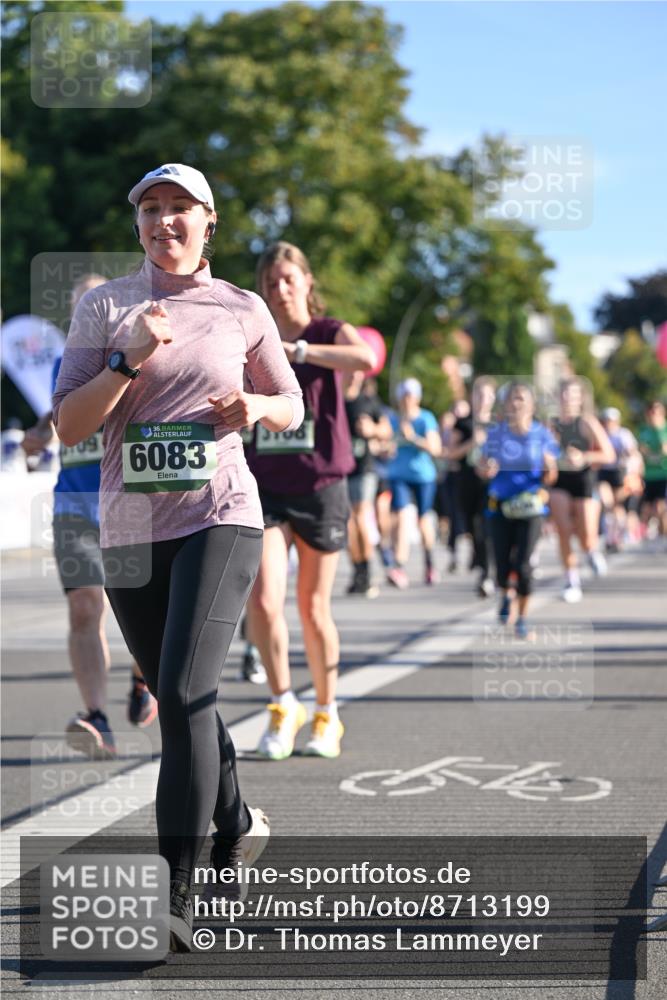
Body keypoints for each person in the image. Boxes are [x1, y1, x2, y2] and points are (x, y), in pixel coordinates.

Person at [52, 164, 304, 952]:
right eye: (150, 210)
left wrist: (256, 406)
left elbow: (290, 401)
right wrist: (127, 360)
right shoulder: (105, 306)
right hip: (130, 528)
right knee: (176, 687)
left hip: (220, 515)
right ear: (138, 226)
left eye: (179, 209)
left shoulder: (241, 307)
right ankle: (235, 822)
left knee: (187, 694)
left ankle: (176, 895)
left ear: (209, 221)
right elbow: (68, 426)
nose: (164, 221)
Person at [245, 241, 375, 761]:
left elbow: (365, 355)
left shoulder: (325, 331)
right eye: (271, 281)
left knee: (313, 607)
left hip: (321, 484)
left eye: (288, 279)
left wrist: (298, 352)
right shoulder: (251, 336)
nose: (279, 289)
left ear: (306, 282)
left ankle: (327, 713)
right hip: (266, 484)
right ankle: (282, 705)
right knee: (263, 601)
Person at [22, 274, 157, 758]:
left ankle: (145, 678)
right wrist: (39, 434)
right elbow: (54, 414)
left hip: (132, 504)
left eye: (98, 306)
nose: (90, 316)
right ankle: (96, 716)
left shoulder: (147, 358)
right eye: (81, 310)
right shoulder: (66, 362)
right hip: (75, 504)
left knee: (144, 612)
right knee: (84, 607)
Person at [477, 381, 559, 639]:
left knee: (523, 565)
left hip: (530, 506)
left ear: (532, 405)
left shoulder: (542, 435)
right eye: (512, 398)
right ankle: (505, 593)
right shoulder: (496, 434)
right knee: (501, 564)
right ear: (505, 404)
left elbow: (552, 475)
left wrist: (548, 468)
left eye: (522, 398)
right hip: (500, 505)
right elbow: (481, 467)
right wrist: (486, 469)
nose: (516, 403)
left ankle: (522, 618)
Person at [549, 378, 615, 603]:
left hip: (584, 479)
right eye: (564, 394)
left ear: (580, 399)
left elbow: (609, 455)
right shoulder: (552, 424)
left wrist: (583, 457)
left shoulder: (587, 423)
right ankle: (571, 579)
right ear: (558, 398)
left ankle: (591, 552)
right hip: (559, 480)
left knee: (587, 535)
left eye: (573, 395)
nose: (568, 399)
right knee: (563, 529)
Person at [385, 378, 441, 588]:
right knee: (400, 516)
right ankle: (398, 567)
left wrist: (413, 438)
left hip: (423, 476)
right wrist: (385, 448)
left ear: (417, 397)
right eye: (404, 396)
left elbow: (435, 448)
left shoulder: (426, 418)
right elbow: (386, 444)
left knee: (423, 519)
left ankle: (429, 563)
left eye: (410, 396)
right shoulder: (393, 420)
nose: (407, 400)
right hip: (398, 474)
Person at [446, 377, 497, 596]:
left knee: (486, 527)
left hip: (491, 484)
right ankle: (480, 560)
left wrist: (496, 465)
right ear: (472, 397)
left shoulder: (498, 424)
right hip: (466, 482)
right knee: (470, 526)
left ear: (493, 398)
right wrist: (471, 443)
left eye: (487, 395)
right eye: (479, 395)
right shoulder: (463, 423)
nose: (482, 400)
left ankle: (487, 574)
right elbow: (449, 453)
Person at [343, 371, 393, 596]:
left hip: (364, 468)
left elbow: (387, 431)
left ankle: (368, 570)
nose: (354, 376)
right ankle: (358, 570)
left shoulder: (368, 401)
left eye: (358, 371)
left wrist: (372, 430)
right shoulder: (332, 398)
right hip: (338, 469)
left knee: (361, 515)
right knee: (346, 521)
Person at [597, 407, 642, 553]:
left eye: (611, 420)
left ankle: (618, 536)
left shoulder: (623, 434)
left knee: (617, 506)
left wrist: (629, 458)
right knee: (607, 503)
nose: (609, 423)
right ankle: (610, 537)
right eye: (607, 420)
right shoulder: (601, 434)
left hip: (619, 472)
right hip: (603, 471)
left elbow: (632, 452)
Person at [637, 400, 667, 544]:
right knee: (647, 508)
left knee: (661, 507)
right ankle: (654, 534)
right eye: (651, 412)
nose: (654, 415)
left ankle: (663, 537)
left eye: (656, 412)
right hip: (649, 475)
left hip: (664, 474)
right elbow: (643, 450)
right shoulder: (644, 431)